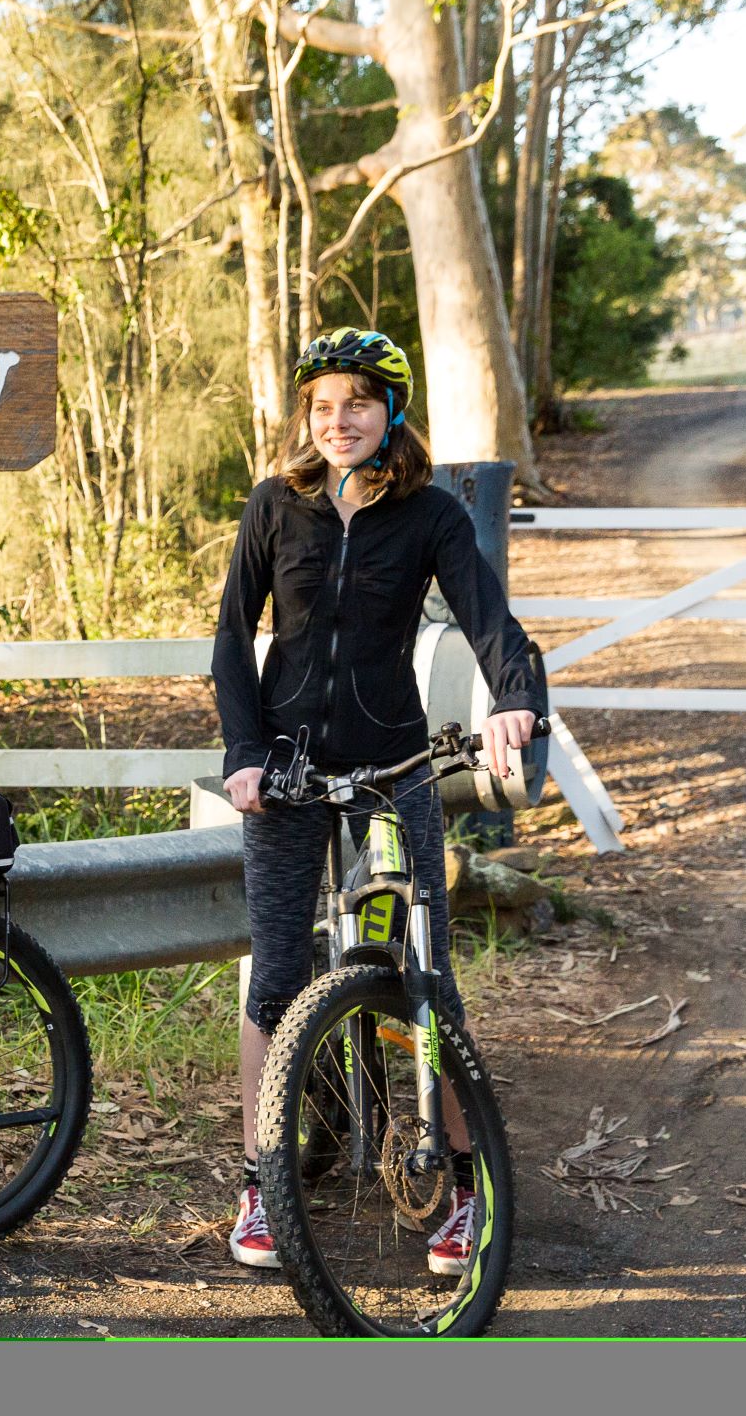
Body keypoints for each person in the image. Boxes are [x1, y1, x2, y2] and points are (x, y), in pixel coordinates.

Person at [211, 329, 545, 1277]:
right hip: (285, 771)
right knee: (274, 980)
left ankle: (461, 1184)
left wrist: (513, 697)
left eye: (356, 402)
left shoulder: (429, 514)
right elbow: (232, 639)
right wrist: (243, 754)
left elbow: (488, 618)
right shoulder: (274, 506)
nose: (338, 420)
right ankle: (261, 1180)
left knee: (424, 972)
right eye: (322, 405)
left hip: (393, 767)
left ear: (389, 412)